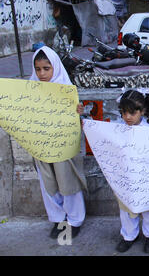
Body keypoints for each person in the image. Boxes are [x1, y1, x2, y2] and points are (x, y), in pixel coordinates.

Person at [30, 46, 87, 240]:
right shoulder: (30, 90)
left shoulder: (66, 89)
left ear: (55, 67)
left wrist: (77, 112)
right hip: (41, 145)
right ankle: (58, 219)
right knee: (48, 184)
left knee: (67, 182)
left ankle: (74, 220)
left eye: (47, 68)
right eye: (38, 69)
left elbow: (76, 122)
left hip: (63, 146)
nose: (42, 73)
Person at [113, 89, 149, 254]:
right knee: (126, 209)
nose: (127, 117)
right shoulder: (117, 130)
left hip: (147, 178)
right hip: (126, 178)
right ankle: (129, 235)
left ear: (142, 111)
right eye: (123, 112)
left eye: (132, 112)